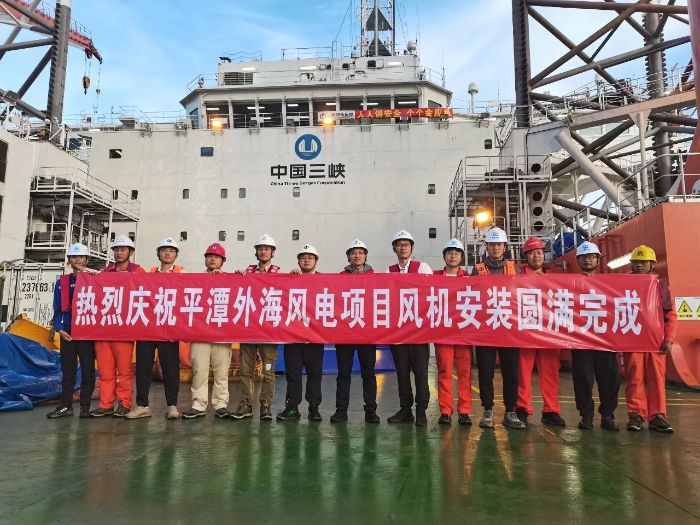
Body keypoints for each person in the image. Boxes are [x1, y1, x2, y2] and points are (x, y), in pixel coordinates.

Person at [470, 227, 525, 430]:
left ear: (504, 246)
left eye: (499, 244)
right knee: (486, 372)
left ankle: (511, 412)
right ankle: (488, 411)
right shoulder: (477, 270)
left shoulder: (514, 269)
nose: (495, 248)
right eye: (492, 245)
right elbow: (471, 297)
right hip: (485, 330)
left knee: (511, 372)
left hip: (509, 330)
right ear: (486, 247)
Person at [127, 237, 184, 420]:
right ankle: (142, 405)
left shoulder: (183, 274)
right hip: (148, 327)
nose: (167, 253)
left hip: (169, 329)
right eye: (164, 250)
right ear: (158, 254)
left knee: (170, 368)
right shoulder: (148, 274)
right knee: (143, 367)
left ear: (176, 255)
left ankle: (172, 406)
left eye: (171, 250)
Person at [90, 235, 144, 418]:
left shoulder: (138, 272)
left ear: (131, 252)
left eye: (123, 249)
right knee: (105, 371)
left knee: (124, 371)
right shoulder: (105, 273)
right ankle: (105, 404)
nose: (119, 253)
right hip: (104, 329)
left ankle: (124, 403)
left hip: (124, 330)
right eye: (116, 250)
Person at [624, 245, 676, 433]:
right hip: (633, 340)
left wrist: (669, 339)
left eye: (643, 262)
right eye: (636, 262)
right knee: (634, 377)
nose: (639, 265)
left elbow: (670, 314)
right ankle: (636, 415)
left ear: (652, 264)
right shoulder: (623, 285)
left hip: (655, 342)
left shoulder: (661, 286)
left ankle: (657, 416)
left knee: (656, 378)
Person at [515, 237, 566, 428]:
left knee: (550, 372)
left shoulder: (553, 277)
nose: (536, 256)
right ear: (525, 257)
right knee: (522, 373)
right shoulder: (517, 277)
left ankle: (551, 410)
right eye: (531, 253)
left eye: (538, 253)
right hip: (525, 332)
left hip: (548, 334)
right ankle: (522, 408)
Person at [571, 241, 621, 431]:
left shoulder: (610, 284)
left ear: (598, 260)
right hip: (581, 340)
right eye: (584, 257)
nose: (588, 260)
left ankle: (608, 415)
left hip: (606, 340)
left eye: (591, 257)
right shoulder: (569, 284)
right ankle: (586, 415)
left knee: (609, 378)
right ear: (578, 260)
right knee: (583, 379)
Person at [330, 239, 379, 424]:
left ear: (366, 256)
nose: (357, 255)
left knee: (369, 373)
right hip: (345, 333)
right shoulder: (340, 278)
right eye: (353, 252)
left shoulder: (376, 278)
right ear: (348, 257)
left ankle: (371, 410)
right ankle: (341, 410)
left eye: (360, 252)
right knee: (343, 373)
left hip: (367, 334)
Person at [231, 234, 280, 421]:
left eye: (267, 249)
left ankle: (265, 404)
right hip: (249, 331)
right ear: (256, 252)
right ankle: (246, 403)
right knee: (246, 369)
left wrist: (295, 275)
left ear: (272, 252)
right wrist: (236, 278)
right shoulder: (247, 272)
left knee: (267, 369)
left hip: (268, 334)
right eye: (260, 249)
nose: (263, 251)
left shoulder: (279, 274)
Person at [386, 230, 432, 427]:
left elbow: (431, 293)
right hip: (398, 334)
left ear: (412, 248)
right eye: (399, 244)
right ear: (394, 248)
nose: (403, 247)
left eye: (406, 244)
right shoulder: (388, 271)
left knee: (421, 374)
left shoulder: (423, 267)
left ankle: (421, 411)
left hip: (419, 333)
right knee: (402, 374)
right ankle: (406, 410)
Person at [183, 243, 233, 419]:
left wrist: (238, 275)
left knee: (222, 371)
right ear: (205, 259)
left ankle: (221, 404)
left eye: (217, 257)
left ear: (222, 261)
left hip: (222, 334)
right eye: (210, 256)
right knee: (199, 369)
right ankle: (198, 404)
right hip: (200, 334)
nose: (213, 259)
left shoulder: (230, 280)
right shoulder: (195, 280)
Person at [46, 243, 96, 419]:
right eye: (74, 257)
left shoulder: (95, 280)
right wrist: (59, 329)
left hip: (87, 332)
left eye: (81, 257)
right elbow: (57, 308)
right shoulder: (62, 282)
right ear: (69, 260)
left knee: (88, 370)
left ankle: (85, 408)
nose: (78, 260)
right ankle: (65, 406)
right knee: (68, 371)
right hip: (68, 333)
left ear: (86, 259)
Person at [277, 244, 324, 422]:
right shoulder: (291, 279)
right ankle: (292, 407)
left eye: (310, 257)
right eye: (303, 257)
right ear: (298, 261)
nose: (306, 260)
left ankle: (314, 408)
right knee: (293, 374)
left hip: (315, 338)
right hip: (293, 337)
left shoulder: (324, 281)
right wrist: (289, 278)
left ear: (316, 261)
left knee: (315, 374)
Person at [434, 238, 473, 426]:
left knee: (465, 373)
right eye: (449, 253)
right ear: (444, 256)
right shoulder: (434, 277)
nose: (452, 256)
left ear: (461, 257)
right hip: (443, 334)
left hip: (464, 333)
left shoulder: (470, 278)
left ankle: (464, 411)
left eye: (456, 253)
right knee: (444, 372)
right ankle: (445, 411)